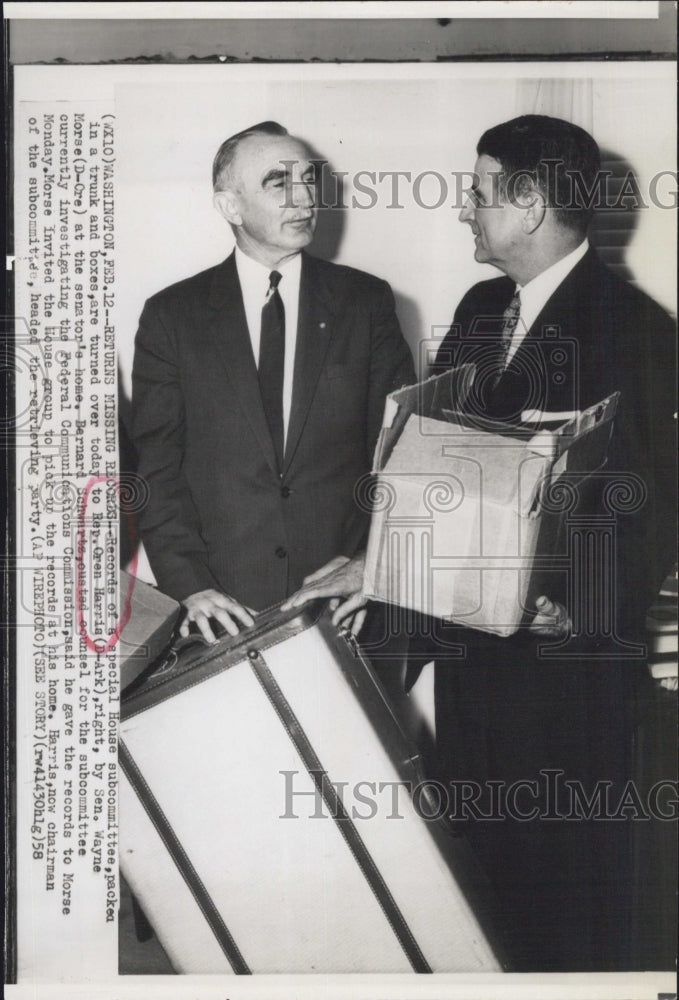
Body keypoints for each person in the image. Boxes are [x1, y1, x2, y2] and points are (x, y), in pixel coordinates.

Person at [287, 115, 677, 971]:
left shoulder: (640, 332)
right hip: (473, 689)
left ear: (529, 204)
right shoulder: (477, 311)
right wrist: (380, 566)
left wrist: (567, 608)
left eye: (478, 191)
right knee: (486, 913)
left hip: (567, 702)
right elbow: (439, 480)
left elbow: (653, 515)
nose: (463, 208)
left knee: (568, 931)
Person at [131, 121, 415, 642]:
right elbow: (157, 468)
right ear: (230, 207)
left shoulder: (366, 302)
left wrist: (369, 563)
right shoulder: (171, 316)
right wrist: (190, 585)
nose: (304, 197)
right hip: (222, 613)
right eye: (278, 182)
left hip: (343, 607)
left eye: (308, 179)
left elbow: (403, 453)